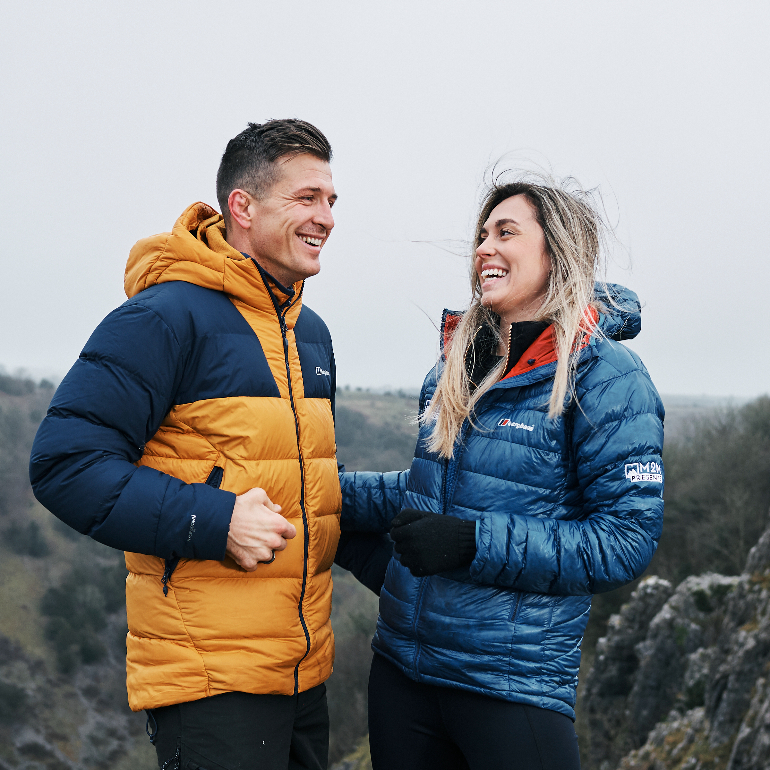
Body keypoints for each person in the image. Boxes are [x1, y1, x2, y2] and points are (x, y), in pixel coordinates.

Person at [30, 120, 342, 770]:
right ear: (244, 207)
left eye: (331, 201)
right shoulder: (164, 318)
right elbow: (65, 463)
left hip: (303, 670)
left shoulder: (310, 332)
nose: (327, 217)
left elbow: (304, 481)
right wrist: (216, 519)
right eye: (307, 198)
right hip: (210, 681)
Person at [339, 177, 664, 769]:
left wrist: (473, 543)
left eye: (506, 232)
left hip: (512, 688)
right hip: (402, 677)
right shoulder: (457, 366)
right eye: (482, 234)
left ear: (556, 250)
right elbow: (428, 492)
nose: (484, 247)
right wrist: (322, 496)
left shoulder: (609, 379)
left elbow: (625, 541)